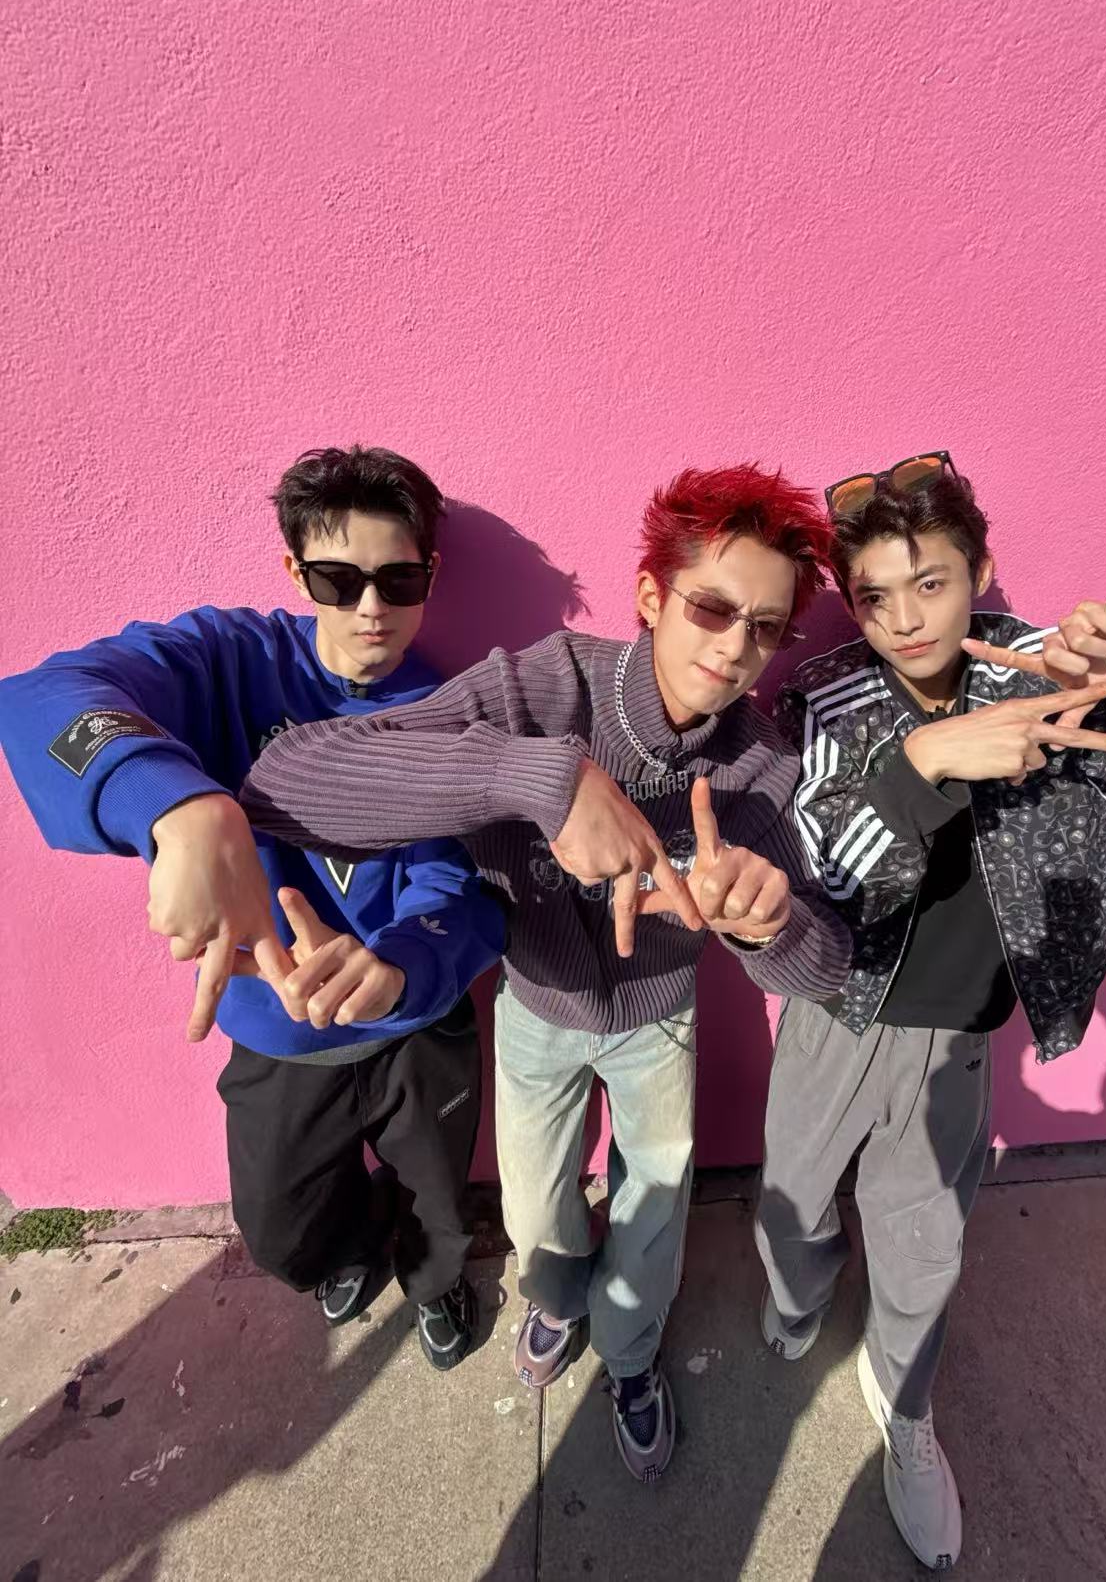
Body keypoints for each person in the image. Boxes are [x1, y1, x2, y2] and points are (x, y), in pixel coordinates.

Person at [241, 464, 853, 1483]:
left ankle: (631, 1357)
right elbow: (287, 781)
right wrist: (540, 776)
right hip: (533, 1004)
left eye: (765, 628)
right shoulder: (545, 687)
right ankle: (558, 1300)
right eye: (710, 608)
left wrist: (768, 921)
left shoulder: (759, 765)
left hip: (659, 1017)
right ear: (651, 595)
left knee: (654, 1211)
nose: (733, 648)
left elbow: (826, 963)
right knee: (533, 1211)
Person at [755, 450, 1106, 1570]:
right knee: (790, 1202)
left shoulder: (1050, 670)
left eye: (929, 582)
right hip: (835, 1009)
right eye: (874, 595)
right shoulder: (828, 694)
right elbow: (820, 868)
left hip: (958, 1035)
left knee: (924, 1245)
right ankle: (796, 1300)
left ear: (979, 568)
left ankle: (903, 1407)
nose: (904, 619)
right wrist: (922, 763)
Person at [0, 445, 504, 1370]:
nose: (370, 609)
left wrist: (402, 963)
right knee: (279, 1230)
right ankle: (348, 1250)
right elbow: (40, 701)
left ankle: (435, 1286)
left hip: (415, 1021)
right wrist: (178, 805)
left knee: (440, 1204)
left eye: (398, 580)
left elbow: (466, 881)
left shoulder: (452, 710)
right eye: (338, 579)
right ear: (294, 571)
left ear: (430, 574)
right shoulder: (232, 658)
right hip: (279, 1031)